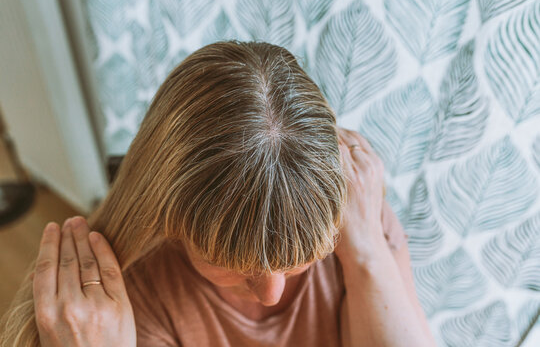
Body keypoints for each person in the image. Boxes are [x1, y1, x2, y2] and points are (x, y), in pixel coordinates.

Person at [0, 41, 436, 346]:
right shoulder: (140, 294)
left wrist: (367, 254)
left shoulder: (349, 210)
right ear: (171, 220)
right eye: (233, 265)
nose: (272, 293)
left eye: (300, 261)